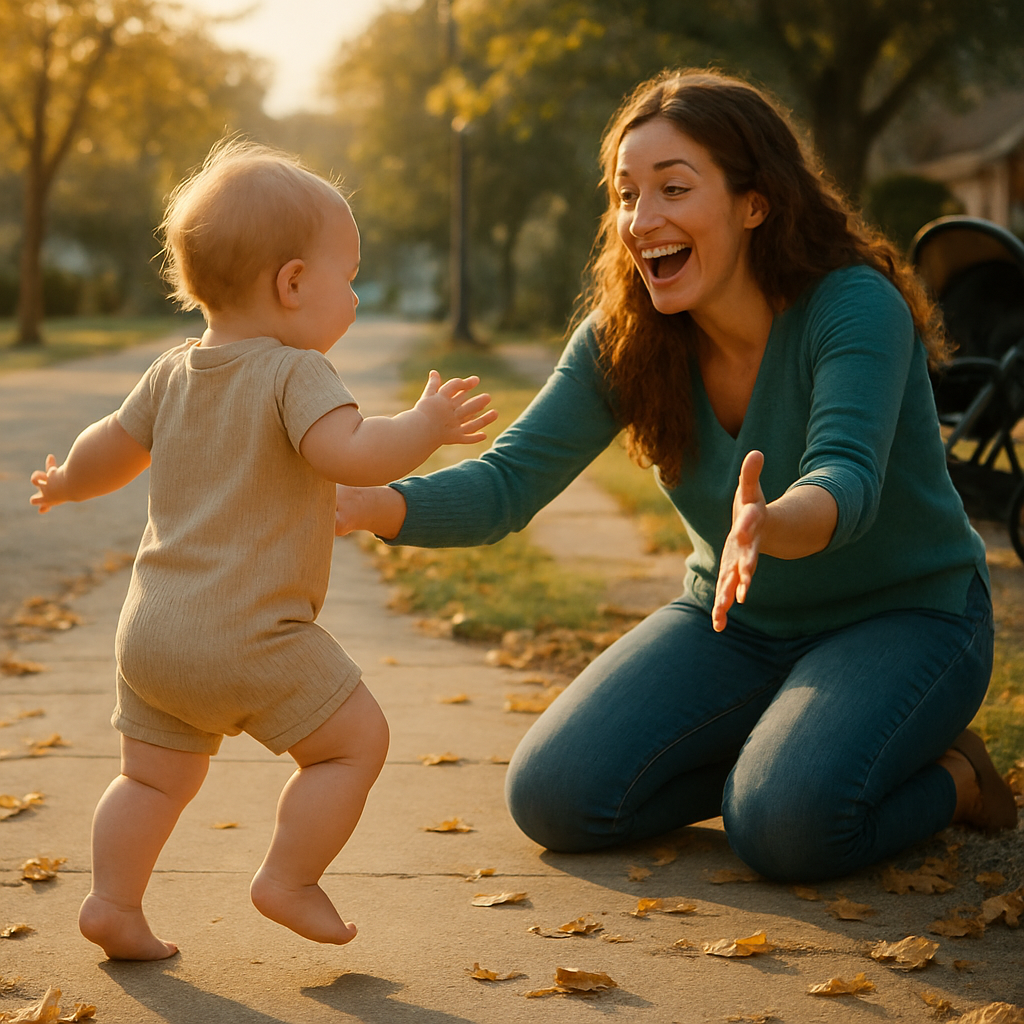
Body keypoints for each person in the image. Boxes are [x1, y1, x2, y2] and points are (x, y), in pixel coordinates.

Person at [335, 69, 1018, 883]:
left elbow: (847, 478)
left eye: (673, 188)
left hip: (907, 616)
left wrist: (769, 523)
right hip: (736, 624)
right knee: (554, 797)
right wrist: (364, 503)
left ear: (754, 202)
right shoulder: (625, 338)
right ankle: (783, 754)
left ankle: (954, 778)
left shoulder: (852, 305)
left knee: (784, 828)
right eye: (627, 195)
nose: (642, 219)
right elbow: (505, 484)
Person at [28, 140, 496, 960]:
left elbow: (109, 446)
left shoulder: (171, 372)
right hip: (251, 634)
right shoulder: (295, 373)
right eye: (348, 277)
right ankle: (289, 877)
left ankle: (112, 904)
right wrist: (424, 427)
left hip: (152, 634)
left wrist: (66, 480)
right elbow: (352, 452)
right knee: (354, 742)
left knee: (150, 779)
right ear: (293, 284)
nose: (355, 297)